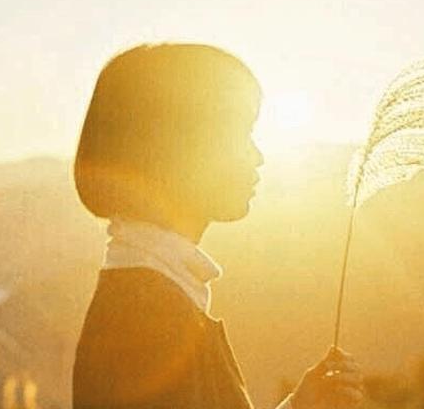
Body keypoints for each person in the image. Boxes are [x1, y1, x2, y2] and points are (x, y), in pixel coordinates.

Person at [72, 43, 364, 409]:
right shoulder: (149, 318)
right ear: (179, 148)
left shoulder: (154, 293)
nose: (257, 156)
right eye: (241, 134)